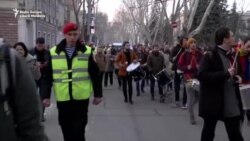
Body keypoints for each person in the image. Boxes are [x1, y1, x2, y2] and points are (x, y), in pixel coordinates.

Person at [42, 22, 102, 141]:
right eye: (70, 34)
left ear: (78, 35)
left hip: (81, 98)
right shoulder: (54, 52)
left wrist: (98, 94)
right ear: (65, 35)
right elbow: (47, 76)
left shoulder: (86, 51)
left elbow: (95, 74)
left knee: (79, 129)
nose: (73, 37)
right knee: (66, 128)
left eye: (75, 34)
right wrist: (45, 96)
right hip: (63, 98)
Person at [198, 27, 244, 141]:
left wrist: (239, 77)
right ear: (225, 39)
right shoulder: (210, 55)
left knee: (235, 134)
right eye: (232, 36)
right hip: (213, 102)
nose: (234, 38)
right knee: (208, 133)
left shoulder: (233, 55)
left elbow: (239, 72)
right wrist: (225, 74)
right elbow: (202, 76)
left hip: (231, 102)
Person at [0, 44, 48, 141]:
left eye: (21, 49)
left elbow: (30, 121)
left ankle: (41, 114)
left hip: (30, 86)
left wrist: (36, 69)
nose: (19, 51)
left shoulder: (11, 62)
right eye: (17, 49)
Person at [178, 38, 203, 124]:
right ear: (188, 45)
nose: (193, 44)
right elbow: (179, 66)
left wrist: (200, 66)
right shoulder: (185, 54)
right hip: (188, 78)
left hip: (198, 78)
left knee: (199, 96)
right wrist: (186, 67)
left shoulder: (199, 54)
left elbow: (204, 64)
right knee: (190, 97)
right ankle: (191, 116)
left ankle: (190, 106)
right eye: (191, 43)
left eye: (194, 42)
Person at [29, 37, 51, 122]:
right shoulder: (31, 52)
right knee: (32, 96)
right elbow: (27, 63)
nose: (40, 47)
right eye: (38, 45)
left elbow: (50, 64)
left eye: (42, 45)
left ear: (44, 44)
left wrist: (45, 65)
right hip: (33, 76)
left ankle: (41, 115)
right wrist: (35, 65)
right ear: (36, 44)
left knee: (43, 97)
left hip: (44, 77)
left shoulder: (48, 53)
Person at [170, 37, 188, 108]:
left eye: (187, 41)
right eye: (184, 41)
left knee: (186, 86)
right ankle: (177, 100)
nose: (186, 42)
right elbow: (170, 58)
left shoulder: (187, 49)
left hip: (185, 70)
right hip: (177, 69)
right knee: (177, 86)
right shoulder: (176, 49)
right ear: (181, 42)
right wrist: (172, 59)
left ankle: (185, 102)